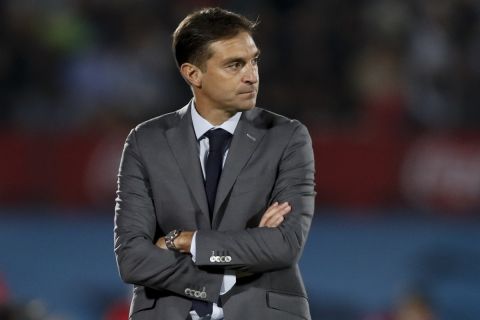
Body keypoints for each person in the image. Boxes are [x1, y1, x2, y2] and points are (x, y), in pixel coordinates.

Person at [114, 7, 315, 320]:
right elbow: (132, 258)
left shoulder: (287, 137)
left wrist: (182, 241)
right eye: (234, 65)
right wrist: (221, 276)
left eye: (254, 60)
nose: (251, 75)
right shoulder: (146, 141)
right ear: (193, 74)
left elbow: (284, 244)